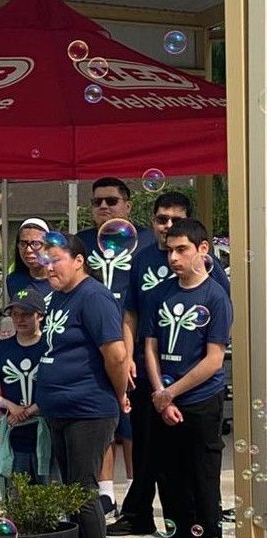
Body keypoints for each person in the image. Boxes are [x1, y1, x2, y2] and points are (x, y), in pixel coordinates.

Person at [111, 192, 231, 537]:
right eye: (161, 219)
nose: (167, 227)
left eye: (175, 221)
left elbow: (215, 326)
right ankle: (144, 516)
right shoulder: (144, 260)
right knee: (155, 454)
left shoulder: (208, 273)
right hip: (153, 372)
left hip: (194, 383)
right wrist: (129, 358)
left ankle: (207, 536)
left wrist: (174, 389)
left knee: (199, 467)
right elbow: (132, 313)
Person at [36, 235, 129, 538]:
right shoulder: (57, 297)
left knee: (83, 489)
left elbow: (117, 354)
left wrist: (118, 395)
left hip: (89, 408)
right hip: (58, 408)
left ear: (78, 261)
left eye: (55, 260)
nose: (48, 267)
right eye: (44, 261)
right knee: (70, 490)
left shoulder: (94, 297)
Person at [140, 218, 232, 538]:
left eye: (182, 250)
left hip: (201, 401)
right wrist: (160, 396)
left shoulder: (215, 297)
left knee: (203, 481)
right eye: (169, 251)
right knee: (170, 481)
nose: (174, 258)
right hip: (164, 398)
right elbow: (149, 347)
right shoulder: (159, 294)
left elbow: (213, 358)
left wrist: (170, 394)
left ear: (202, 250)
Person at [75, 179, 153, 519]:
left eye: (111, 200)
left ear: (128, 205)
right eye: (96, 202)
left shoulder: (147, 242)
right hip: (92, 344)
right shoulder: (82, 242)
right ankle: (105, 494)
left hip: (133, 342)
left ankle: (137, 493)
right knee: (102, 417)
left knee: (133, 422)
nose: (103, 207)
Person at [0, 287, 51, 488]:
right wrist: (11, 406)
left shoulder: (50, 345)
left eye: (26, 314)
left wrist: (30, 410)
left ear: (40, 316)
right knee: (16, 496)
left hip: (46, 433)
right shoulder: (0, 349)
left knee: (49, 496)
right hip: (15, 435)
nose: (20, 319)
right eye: (15, 314)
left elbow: (56, 387)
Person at [5, 218, 54, 305]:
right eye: (23, 244)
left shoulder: (62, 281)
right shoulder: (13, 281)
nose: (28, 250)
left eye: (36, 244)